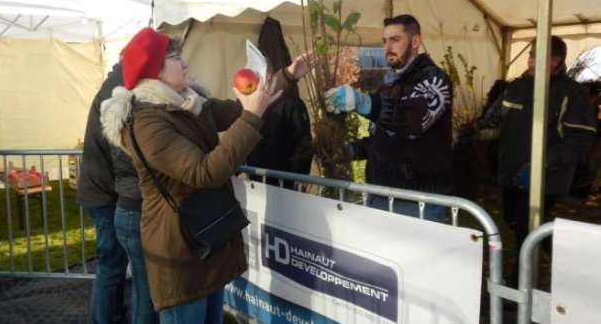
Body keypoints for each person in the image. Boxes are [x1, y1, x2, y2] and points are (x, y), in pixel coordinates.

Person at [99, 27, 311, 323]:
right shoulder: (146, 121)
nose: (185, 64)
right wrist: (251, 117)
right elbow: (204, 172)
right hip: (180, 252)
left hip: (206, 239)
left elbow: (242, 108)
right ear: (154, 70)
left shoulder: (187, 102)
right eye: (176, 58)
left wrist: (287, 76)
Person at [477, 35, 597, 282]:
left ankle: (520, 286)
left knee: (524, 227)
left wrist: (543, 164)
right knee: (512, 220)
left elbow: (579, 138)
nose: (530, 60)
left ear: (556, 60)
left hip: (548, 178)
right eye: (530, 55)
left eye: (537, 56)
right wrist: (473, 132)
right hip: (512, 173)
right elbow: (492, 121)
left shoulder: (573, 94)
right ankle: (558, 249)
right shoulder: (515, 87)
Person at [320, 14, 454, 221]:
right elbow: (382, 138)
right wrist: (348, 151)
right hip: (380, 194)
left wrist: (364, 102)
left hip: (417, 202)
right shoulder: (388, 85)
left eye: (395, 39)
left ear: (415, 41)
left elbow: (415, 118)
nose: (387, 46)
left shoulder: (434, 79)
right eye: (384, 40)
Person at [77, 60, 157, 323]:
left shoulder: (116, 85)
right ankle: (103, 318)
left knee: (115, 263)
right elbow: (123, 153)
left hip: (104, 191)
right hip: (105, 195)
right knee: (112, 264)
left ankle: (112, 313)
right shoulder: (119, 93)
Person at [245, 57, 313, 189]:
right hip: (256, 184)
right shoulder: (247, 107)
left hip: (284, 187)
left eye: (251, 73)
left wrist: (294, 181)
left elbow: (304, 146)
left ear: (267, 75)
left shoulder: (292, 105)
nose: (246, 79)